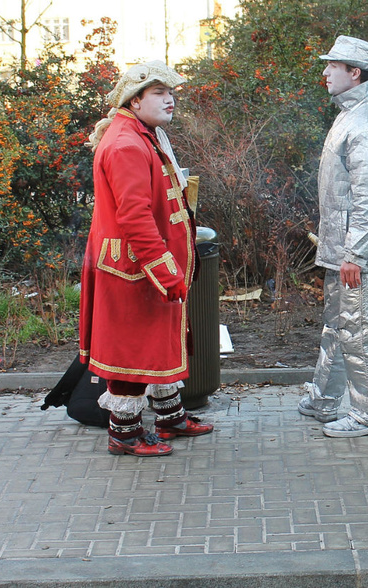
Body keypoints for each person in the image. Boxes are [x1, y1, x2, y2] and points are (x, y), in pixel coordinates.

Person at [80, 61, 213, 456]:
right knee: (132, 350)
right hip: (134, 269)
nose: (170, 100)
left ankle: (170, 416)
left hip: (146, 266)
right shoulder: (125, 143)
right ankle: (124, 434)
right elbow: (134, 217)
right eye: (159, 93)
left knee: (159, 341)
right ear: (134, 100)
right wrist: (165, 270)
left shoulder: (143, 133)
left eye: (171, 93)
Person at [298, 36, 368, 438]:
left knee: (359, 331)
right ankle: (325, 400)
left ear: (354, 72)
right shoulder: (351, 115)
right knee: (337, 326)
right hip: (343, 249)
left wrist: (354, 254)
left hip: (359, 253)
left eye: (333, 66)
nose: (325, 72)